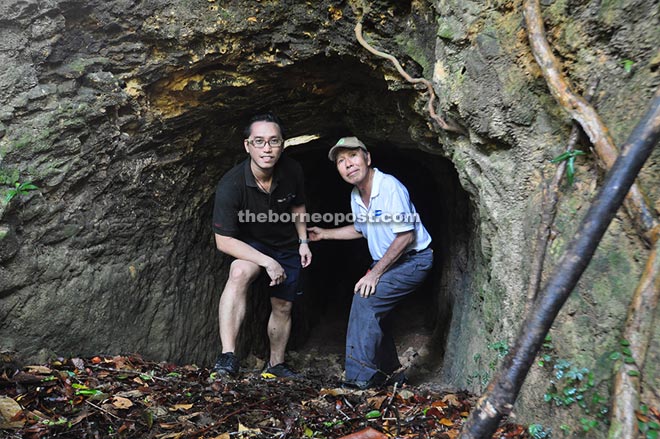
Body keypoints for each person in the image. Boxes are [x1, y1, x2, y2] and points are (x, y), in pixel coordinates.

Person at [308, 136, 433, 389]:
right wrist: (325, 233)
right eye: (341, 161)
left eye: (353, 156)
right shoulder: (356, 195)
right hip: (393, 261)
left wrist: (374, 274)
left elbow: (406, 235)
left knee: (365, 300)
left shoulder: (389, 187)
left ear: (367, 158)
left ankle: (358, 381)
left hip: (414, 260)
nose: (348, 164)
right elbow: (361, 229)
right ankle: (389, 373)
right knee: (376, 310)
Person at [212, 113, 312, 378]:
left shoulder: (292, 170)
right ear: (248, 146)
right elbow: (223, 241)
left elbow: (298, 205)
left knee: (283, 306)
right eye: (259, 141)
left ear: (282, 144)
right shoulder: (231, 185)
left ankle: (275, 365)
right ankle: (228, 356)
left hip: (287, 244)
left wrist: (303, 241)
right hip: (251, 244)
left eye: (273, 141)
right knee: (239, 272)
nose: (267, 148)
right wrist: (267, 261)